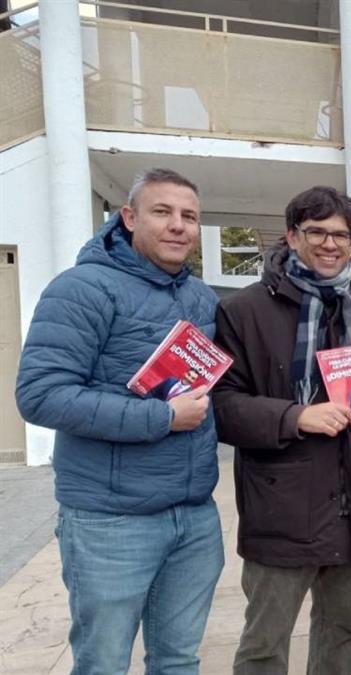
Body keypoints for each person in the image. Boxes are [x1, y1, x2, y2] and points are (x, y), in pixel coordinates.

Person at [213, 186, 351, 675]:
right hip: (281, 509)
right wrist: (294, 416)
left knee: (340, 630)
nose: (330, 245)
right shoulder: (244, 311)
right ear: (291, 236)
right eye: (317, 232)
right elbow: (222, 406)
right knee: (266, 642)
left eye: (341, 235)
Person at [15, 168, 223, 674]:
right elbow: (40, 395)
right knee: (103, 663)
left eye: (189, 216)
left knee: (178, 660)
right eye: (162, 212)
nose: (178, 226)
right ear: (128, 218)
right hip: (110, 521)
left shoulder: (201, 298)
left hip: (193, 515)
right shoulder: (81, 289)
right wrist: (161, 418)